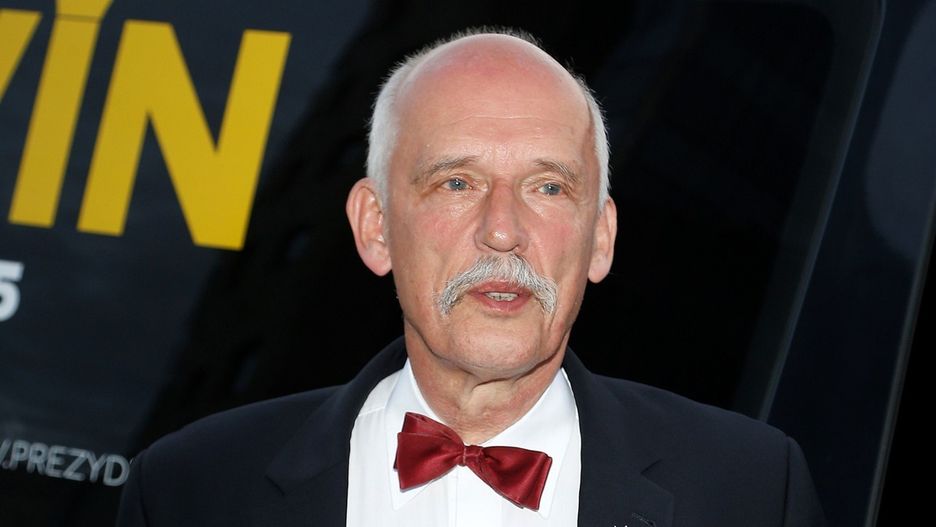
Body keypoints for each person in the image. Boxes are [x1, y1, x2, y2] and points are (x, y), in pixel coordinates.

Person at [116, 29, 825, 527]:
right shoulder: (190, 488)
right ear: (375, 228)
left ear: (600, 238)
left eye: (548, 187)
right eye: (457, 182)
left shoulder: (752, 491)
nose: (503, 230)